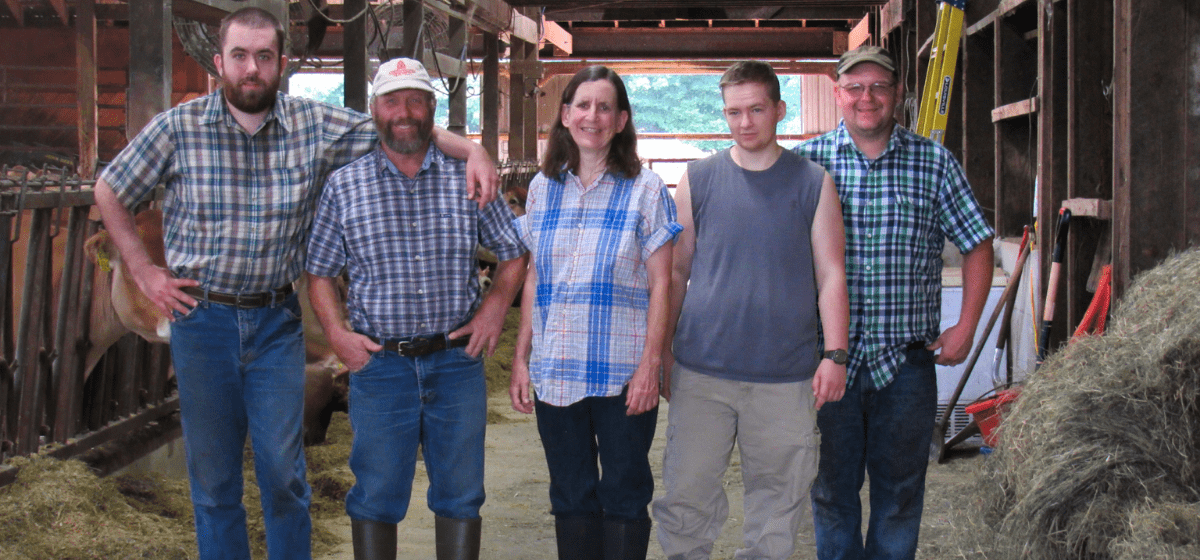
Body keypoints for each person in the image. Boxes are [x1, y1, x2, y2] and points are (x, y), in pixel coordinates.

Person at [91, 8, 498, 560]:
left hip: (273, 321)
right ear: (219, 64)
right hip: (201, 320)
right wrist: (141, 268)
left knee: (285, 473)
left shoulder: (313, 123)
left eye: (263, 56)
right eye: (240, 56)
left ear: (281, 64)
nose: (252, 69)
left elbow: (399, 122)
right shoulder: (176, 128)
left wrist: (472, 149)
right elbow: (110, 190)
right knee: (213, 482)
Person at [305, 57, 527, 560]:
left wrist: (495, 309)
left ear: (431, 108)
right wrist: (338, 336)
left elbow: (513, 255)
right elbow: (318, 273)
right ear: (374, 110)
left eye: (415, 100)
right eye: (392, 101)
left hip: (456, 360)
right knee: (376, 495)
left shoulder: (466, 178)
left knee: (461, 493)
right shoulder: (345, 187)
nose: (403, 112)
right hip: (380, 364)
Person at [793, 45, 995, 560]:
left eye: (879, 86)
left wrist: (966, 327)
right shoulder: (807, 164)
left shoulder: (933, 162)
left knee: (900, 496)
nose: (867, 97)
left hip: (907, 363)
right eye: (855, 87)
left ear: (898, 93)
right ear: (837, 94)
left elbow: (977, 243)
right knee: (831, 493)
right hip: (826, 362)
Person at [651, 61, 850, 560]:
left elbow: (831, 274)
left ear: (779, 110)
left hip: (786, 376)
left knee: (778, 505)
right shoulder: (698, 179)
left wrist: (836, 354)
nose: (745, 122)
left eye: (756, 109)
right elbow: (675, 273)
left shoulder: (813, 182)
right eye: (734, 112)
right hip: (702, 370)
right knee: (686, 497)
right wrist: (663, 352)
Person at [508, 65, 681, 560]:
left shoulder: (647, 190)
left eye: (605, 107)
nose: (593, 116)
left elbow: (661, 282)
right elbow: (535, 276)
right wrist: (522, 358)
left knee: (625, 493)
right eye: (582, 105)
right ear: (564, 116)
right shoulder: (543, 189)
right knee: (570, 493)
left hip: (622, 372)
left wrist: (652, 363)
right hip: (557, 367)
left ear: (622, 120)